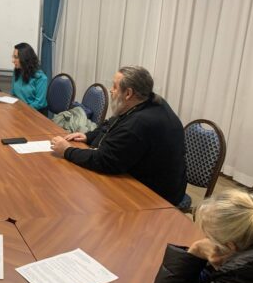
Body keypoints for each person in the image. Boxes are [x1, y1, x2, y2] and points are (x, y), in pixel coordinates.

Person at [50, 65, 186, 205]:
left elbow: (104, 161)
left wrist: (67, 150)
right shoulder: (149, 101)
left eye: (115, 87)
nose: (111, 90)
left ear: (128, 93)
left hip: (156, 197)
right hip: (145, 177)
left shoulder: (139, 123)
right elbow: (110, 124)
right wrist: (88, 136)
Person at [11, 42, 47, 112]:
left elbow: (39, 103)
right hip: (20, 110)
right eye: (13, 57)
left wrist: (22, 110)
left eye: (16, 57)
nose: (13, 61)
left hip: (35, 113)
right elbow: (13, 94)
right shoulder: (17, 72)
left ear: (24, 58)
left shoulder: (41, 78)